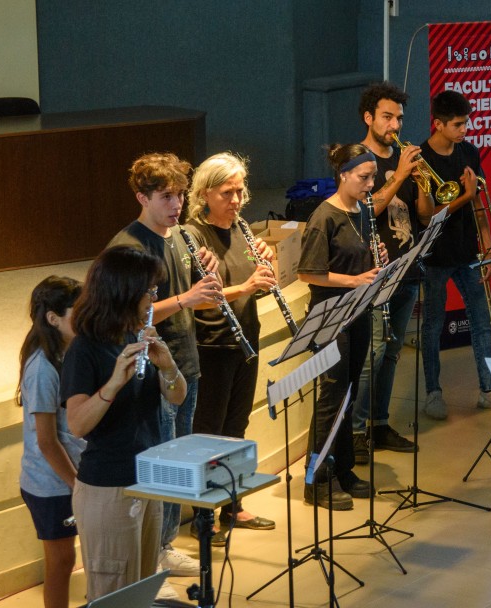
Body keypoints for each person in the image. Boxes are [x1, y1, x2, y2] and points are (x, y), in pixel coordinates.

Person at [107, 152, 222, 576]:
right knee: (161, 464)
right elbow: (128, 316)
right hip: (151, 371)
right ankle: (152, 554)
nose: (177, 206)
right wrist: (190, 298)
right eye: (166, 197)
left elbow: (183, 288)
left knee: (178, 458)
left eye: (180, 195)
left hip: (182, 362)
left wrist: (202, 275)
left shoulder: (176, 236)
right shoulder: (129, 248)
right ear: (142, 196)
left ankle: (166, 545)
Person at [63, 246, 186, 600]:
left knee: (142, 592)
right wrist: (114, 382)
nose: (153, 299)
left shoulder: (135, 334)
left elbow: (176, 396)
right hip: (108, 487)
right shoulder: (84, 350)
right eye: (149, 291)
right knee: (114, 594)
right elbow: (77, 424)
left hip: (147, 480)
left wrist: (168, 367)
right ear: (124, 292)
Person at [184, 152, 277, 541]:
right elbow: (203, 297)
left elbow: (248, 271)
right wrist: (248, 285)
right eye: (227, 193)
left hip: (245, 340)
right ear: (205, 193)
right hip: (213, 343)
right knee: (210, 432)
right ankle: (203, 517)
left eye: (240, 191)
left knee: (237, 426)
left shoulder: (239, 228)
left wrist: (267, 254)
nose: (236, 200)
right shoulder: (191, 235)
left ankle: (232, 507)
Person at [349, 81, 434, 463]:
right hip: (374, 272)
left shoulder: (403, 158)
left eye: (399, 117)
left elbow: (424, 215)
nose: (395, 125)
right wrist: (399, 175)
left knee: (394, 351)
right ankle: (355, 432)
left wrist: (423, 187)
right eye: (387, 117)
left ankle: (380, 424)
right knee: (374, 353)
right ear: (368, 118)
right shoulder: (356, 162)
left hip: (408, 266)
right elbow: (367, 211)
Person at [297, 143, 385, 509]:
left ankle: (343, 468)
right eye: (363, 178)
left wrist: (378, 261)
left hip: (358, 312)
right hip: (331, 315)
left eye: (373, 178)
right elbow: (308, 273)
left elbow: (360, 260)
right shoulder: (324, 217)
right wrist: (355, 281)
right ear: (344, 175)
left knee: (349, 392)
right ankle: (317, 480)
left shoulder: (363, 211)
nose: (369, 185)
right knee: (332, 396)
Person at [419, 90, 491, 420]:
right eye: (458, 124)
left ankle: (488, 388)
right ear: (438, 124)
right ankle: (433, 392)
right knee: (434, 324)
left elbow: (478, 201)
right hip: (435, 255)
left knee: (481, 320)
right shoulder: (421, 159)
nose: (465, 129)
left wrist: (489, 244)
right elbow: (427, 215)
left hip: (468, 250)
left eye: (466, 123)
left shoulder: (469, 152)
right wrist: (464, 196)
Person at [17, 276, 85, 608]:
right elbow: (46, 441)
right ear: (53, 318)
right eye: (78, 310)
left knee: (76, 558)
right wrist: (77, 484)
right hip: (52, 483)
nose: (87, 316)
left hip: (72, 477)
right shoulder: (42, 369)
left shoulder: (73, 350)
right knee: (61, 563)